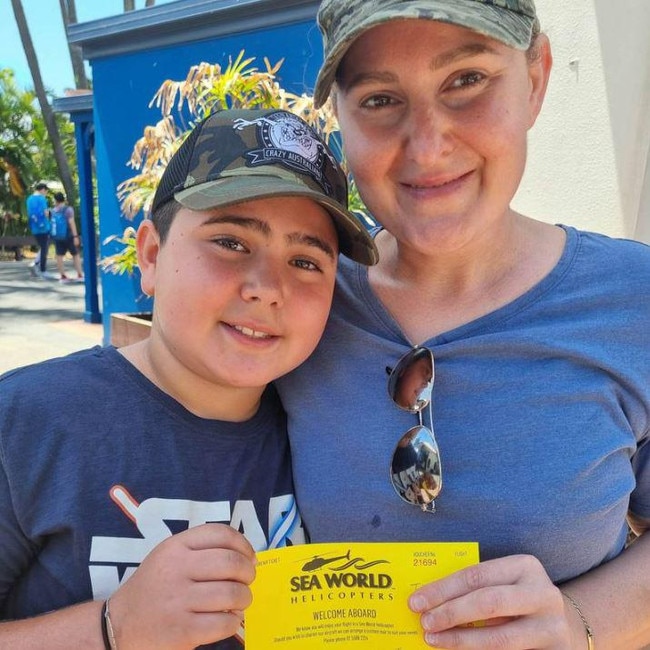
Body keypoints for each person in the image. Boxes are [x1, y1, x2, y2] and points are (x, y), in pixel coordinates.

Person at [277, 1, 650, 648]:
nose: (427, 145)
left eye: (467, 80)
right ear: (340, 115)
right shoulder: (298, 301)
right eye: (380, 98)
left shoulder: (634, 299)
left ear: (535, 78)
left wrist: (584, 621)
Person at [0, 108, 377, 649]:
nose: (267, 288)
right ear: (151, 256)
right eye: (231, 242)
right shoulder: (29, 421)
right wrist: (114, 627)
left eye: (306, 262)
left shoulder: (326, 431)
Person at [50, 191, 84, 281]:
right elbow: (71, 223)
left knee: (59, 256)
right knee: (75, 254)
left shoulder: (53, 211)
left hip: (58, 236)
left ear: (56, 200)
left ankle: (63, 275)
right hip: (68, 235)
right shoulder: (68, 209)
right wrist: (76, 236)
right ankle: (80, 274)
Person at [25, 181, 50, 275]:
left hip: (34, 227)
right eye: (46, 191)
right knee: (44, 248)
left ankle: (35, 263)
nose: (46, 193)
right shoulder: (42, 199)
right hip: (44, 227)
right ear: (43, 190)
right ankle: (42, 269)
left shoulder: (29, 199)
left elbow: (30, 213)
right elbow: (46, 213)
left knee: (43, 247)